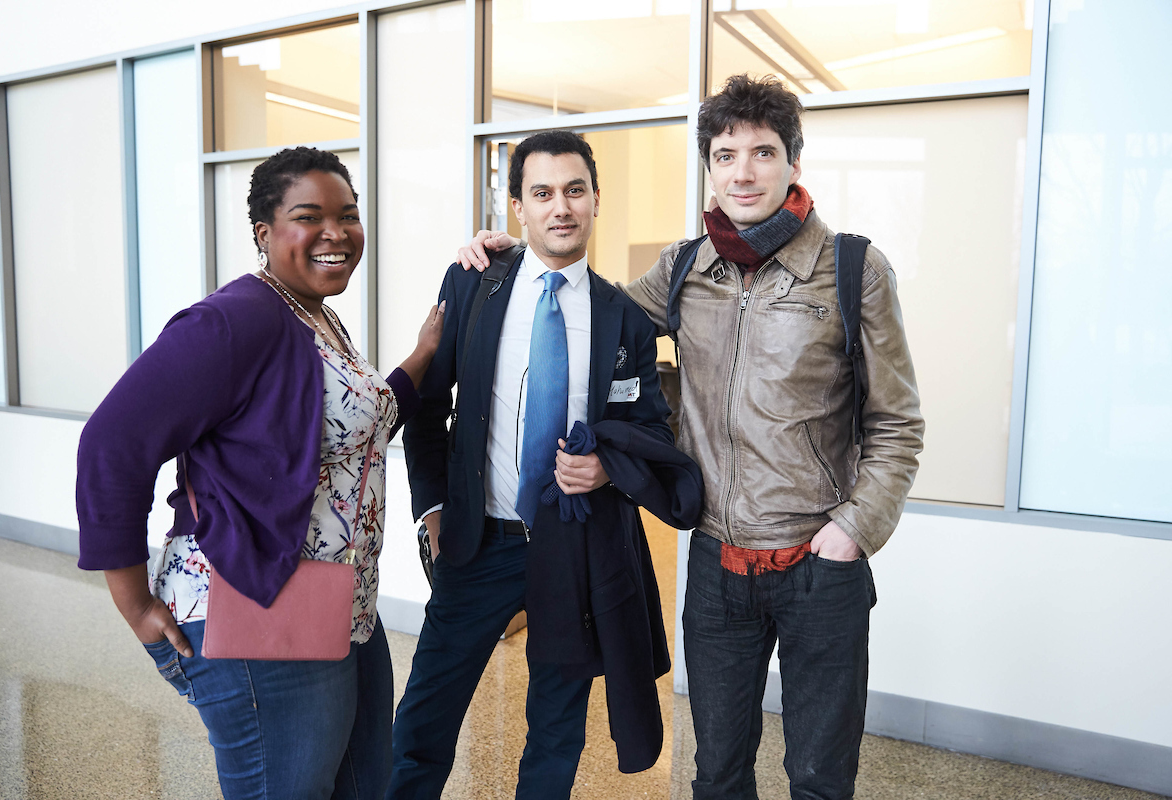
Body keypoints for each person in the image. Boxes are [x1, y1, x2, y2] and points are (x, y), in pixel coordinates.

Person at [458, 75, 925, 799]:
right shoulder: (682, 269)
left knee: (820, 777)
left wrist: (853, 531)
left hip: (819, 567)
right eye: (725, 153)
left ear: (794, 162)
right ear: (708, 167)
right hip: (717, 566)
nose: (743, 171)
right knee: (717, 775)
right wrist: (514, 259)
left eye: (763, 152)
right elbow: (590, 314)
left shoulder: (852, 269)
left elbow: (897, 422)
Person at [76, 146, 444, 800]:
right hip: (256, 604)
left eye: (348, 215)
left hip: (343, 602)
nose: (336, 232)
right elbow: (112, 443)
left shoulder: (315, 316)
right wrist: (134, 602)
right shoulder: (234, 320)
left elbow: (359, 428)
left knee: (365, 786)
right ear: (264, 233)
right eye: (310, 216)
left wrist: (424, 353)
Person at [389, 130, 699, 799]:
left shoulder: (625, 320)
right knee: (422, 721)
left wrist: (609, 471)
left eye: (574, 190)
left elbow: (649, 428)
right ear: (518, 208)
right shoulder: (474, 284)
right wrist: (433, 507)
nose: (560, 206)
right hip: (480, 544)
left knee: (557, 726)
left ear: (594, 200)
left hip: (574, 544)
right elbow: (426, 402)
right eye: (542, 193)